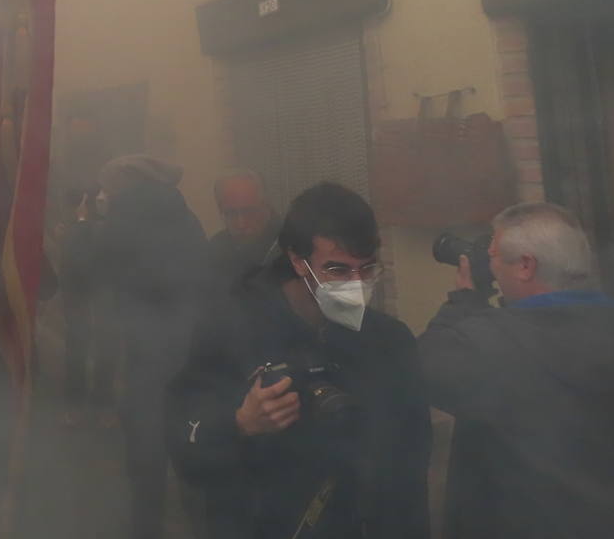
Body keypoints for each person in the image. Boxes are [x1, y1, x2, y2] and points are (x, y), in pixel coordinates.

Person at [168, 182, 431, 539]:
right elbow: (183, 441)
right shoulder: (231, 328)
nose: (356, 285)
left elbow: (411, 464)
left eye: (367, 269)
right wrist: (240, 424)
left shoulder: (389, 340)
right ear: (297, 260)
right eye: (337, 270)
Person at [417, 202, 614, 539]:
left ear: (525, 266)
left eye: (492, 256)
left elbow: (423, 367)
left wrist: (465, 299)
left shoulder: (491, 343)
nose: (490, 268)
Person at [94, 154, 208, 539]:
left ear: (123, 184)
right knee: (191, 436)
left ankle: (147, 526)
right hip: (190, 345)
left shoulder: (121, 218)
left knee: (146, 446)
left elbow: (100, 273)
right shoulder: (185, 214)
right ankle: (204, 523)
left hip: (145, 350)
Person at [58, 186, 119, 426]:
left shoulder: (103, 227)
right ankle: (77, 405)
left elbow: (94, 259)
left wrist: (81, 224)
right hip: (79, 299)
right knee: (77, 350)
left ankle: (102, 404)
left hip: (103, 298)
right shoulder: (74, 228)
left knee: (105, 350)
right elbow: (73, 262)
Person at [207, 170, 281, 280]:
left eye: (248, 212)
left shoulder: (288, 246)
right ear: (220, 209)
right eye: (231, 213)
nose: (240, 224)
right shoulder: (215, 248)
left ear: (265, 206)